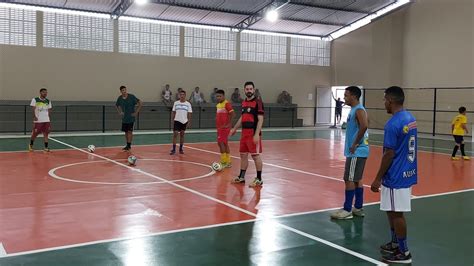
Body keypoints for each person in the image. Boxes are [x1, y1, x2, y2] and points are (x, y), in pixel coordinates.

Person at [370, 86, 417, 264]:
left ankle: (404, 253)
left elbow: (389, 154)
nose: (384, 103)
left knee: (397, 214)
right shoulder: (410, 118)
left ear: (390, 100)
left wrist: (377, 178)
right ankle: (396, 242)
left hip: (396, 175)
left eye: (384, 100)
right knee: (392, 210)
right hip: (406, 171)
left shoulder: (392, 124)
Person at [330, 86, 369, 219]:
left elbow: (364, 125)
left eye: (346, 95)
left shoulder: (358, 110)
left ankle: (347, 210)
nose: (345, 98)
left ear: (354, 96)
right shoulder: (354, 110)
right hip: (358, 151)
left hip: (356, 151)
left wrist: (355, 143)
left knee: (349, 179)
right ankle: (358, 207)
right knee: (357, 179)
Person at [230, 81, 264, 187]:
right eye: (247, 89)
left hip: (253, 133)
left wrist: (256, 134)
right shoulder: (244, 102)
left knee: (255, 156)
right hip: (244, 133)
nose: (249, 91)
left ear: (253, 90)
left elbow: (260, 119)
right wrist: (234, 128)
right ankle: (241, 177)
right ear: (244, 90)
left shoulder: (258, 102)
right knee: (243, 155)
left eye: (250, 89)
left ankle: (259, 179)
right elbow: (242, 117)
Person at [115, 85, 142, 151]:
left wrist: (136, 112)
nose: (124, 91)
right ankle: (127, 144)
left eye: (125, 90)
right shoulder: (120, 98)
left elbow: (140, 103)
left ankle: (129, 146)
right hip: (124, 118)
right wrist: (120, 112)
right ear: (120, 91)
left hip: (131, 118)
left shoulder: (131, 97)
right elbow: (116, 105)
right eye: (122, 90)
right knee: (126, 132)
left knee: (130, 131)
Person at [28, 88, 52, 152]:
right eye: (44, 92)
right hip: (38, 120)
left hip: (46, 120)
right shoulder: (35, 99)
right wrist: (34, 116)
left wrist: (48, 118)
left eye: (46, 92)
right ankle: (31, 145)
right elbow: (33, 109)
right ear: (40, 93)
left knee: (46, 133)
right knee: (35, 134)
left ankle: (46, 147)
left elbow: (49, 110)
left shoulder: (48, 101)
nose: (45, 93)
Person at [215, 89, 235, 167]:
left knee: (220, 143)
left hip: (224, 128)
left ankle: (223, 161)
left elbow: (233, 114)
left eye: (220, 96)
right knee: (224, 143)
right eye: (217, 96)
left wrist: (228, 124)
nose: (218, 98)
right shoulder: (218, 105)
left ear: (223, 96)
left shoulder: (227, 104)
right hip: (219, 127)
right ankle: (228, 161)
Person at [170, 90, 192, 155]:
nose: (182, 96)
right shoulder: (176, 103)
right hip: (177, 120)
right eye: (181, 94)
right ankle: (173, 149)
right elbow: (173, 112)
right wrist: (172, 120)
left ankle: (181, 149)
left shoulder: (188, 104)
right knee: (175, 134)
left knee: (182, 135)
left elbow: (190, 113)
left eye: (183, 94)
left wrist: (189, 122)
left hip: (184, 121)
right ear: (179, 95)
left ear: (185, 95)